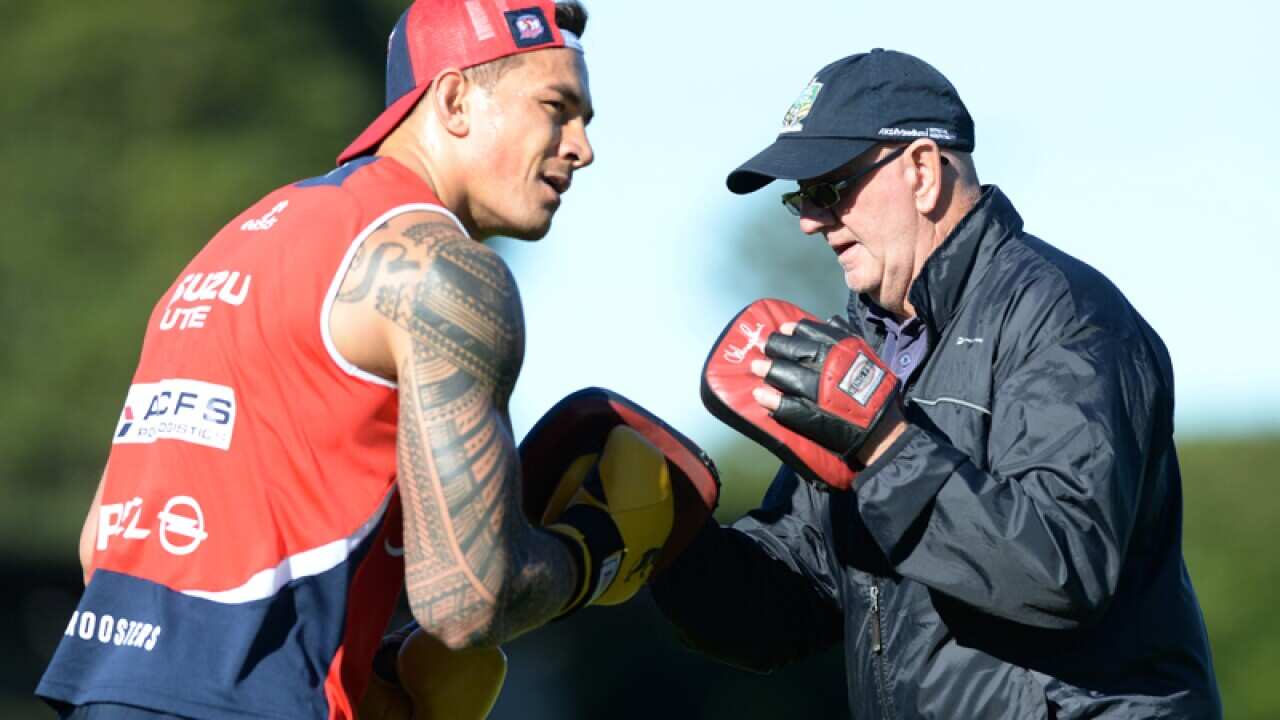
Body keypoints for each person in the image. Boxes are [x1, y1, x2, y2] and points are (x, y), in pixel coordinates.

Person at [37, 2, 677, 718]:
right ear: (456, 99)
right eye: (558, 109)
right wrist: (594, 554)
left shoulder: (237, 240)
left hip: (105, 692)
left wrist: (365, 687)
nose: (581, 147)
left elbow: (106, 545)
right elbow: (466, 598)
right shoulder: (445, 269)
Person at [652, 49, 1223, 718]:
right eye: (800, 198)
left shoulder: (1066, 317)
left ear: (923, 170)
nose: (811, 219)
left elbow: (1062, 568)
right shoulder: (861, 350)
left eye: (830, 189)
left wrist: (887, 450)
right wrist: (670, 538)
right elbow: (784, 611)